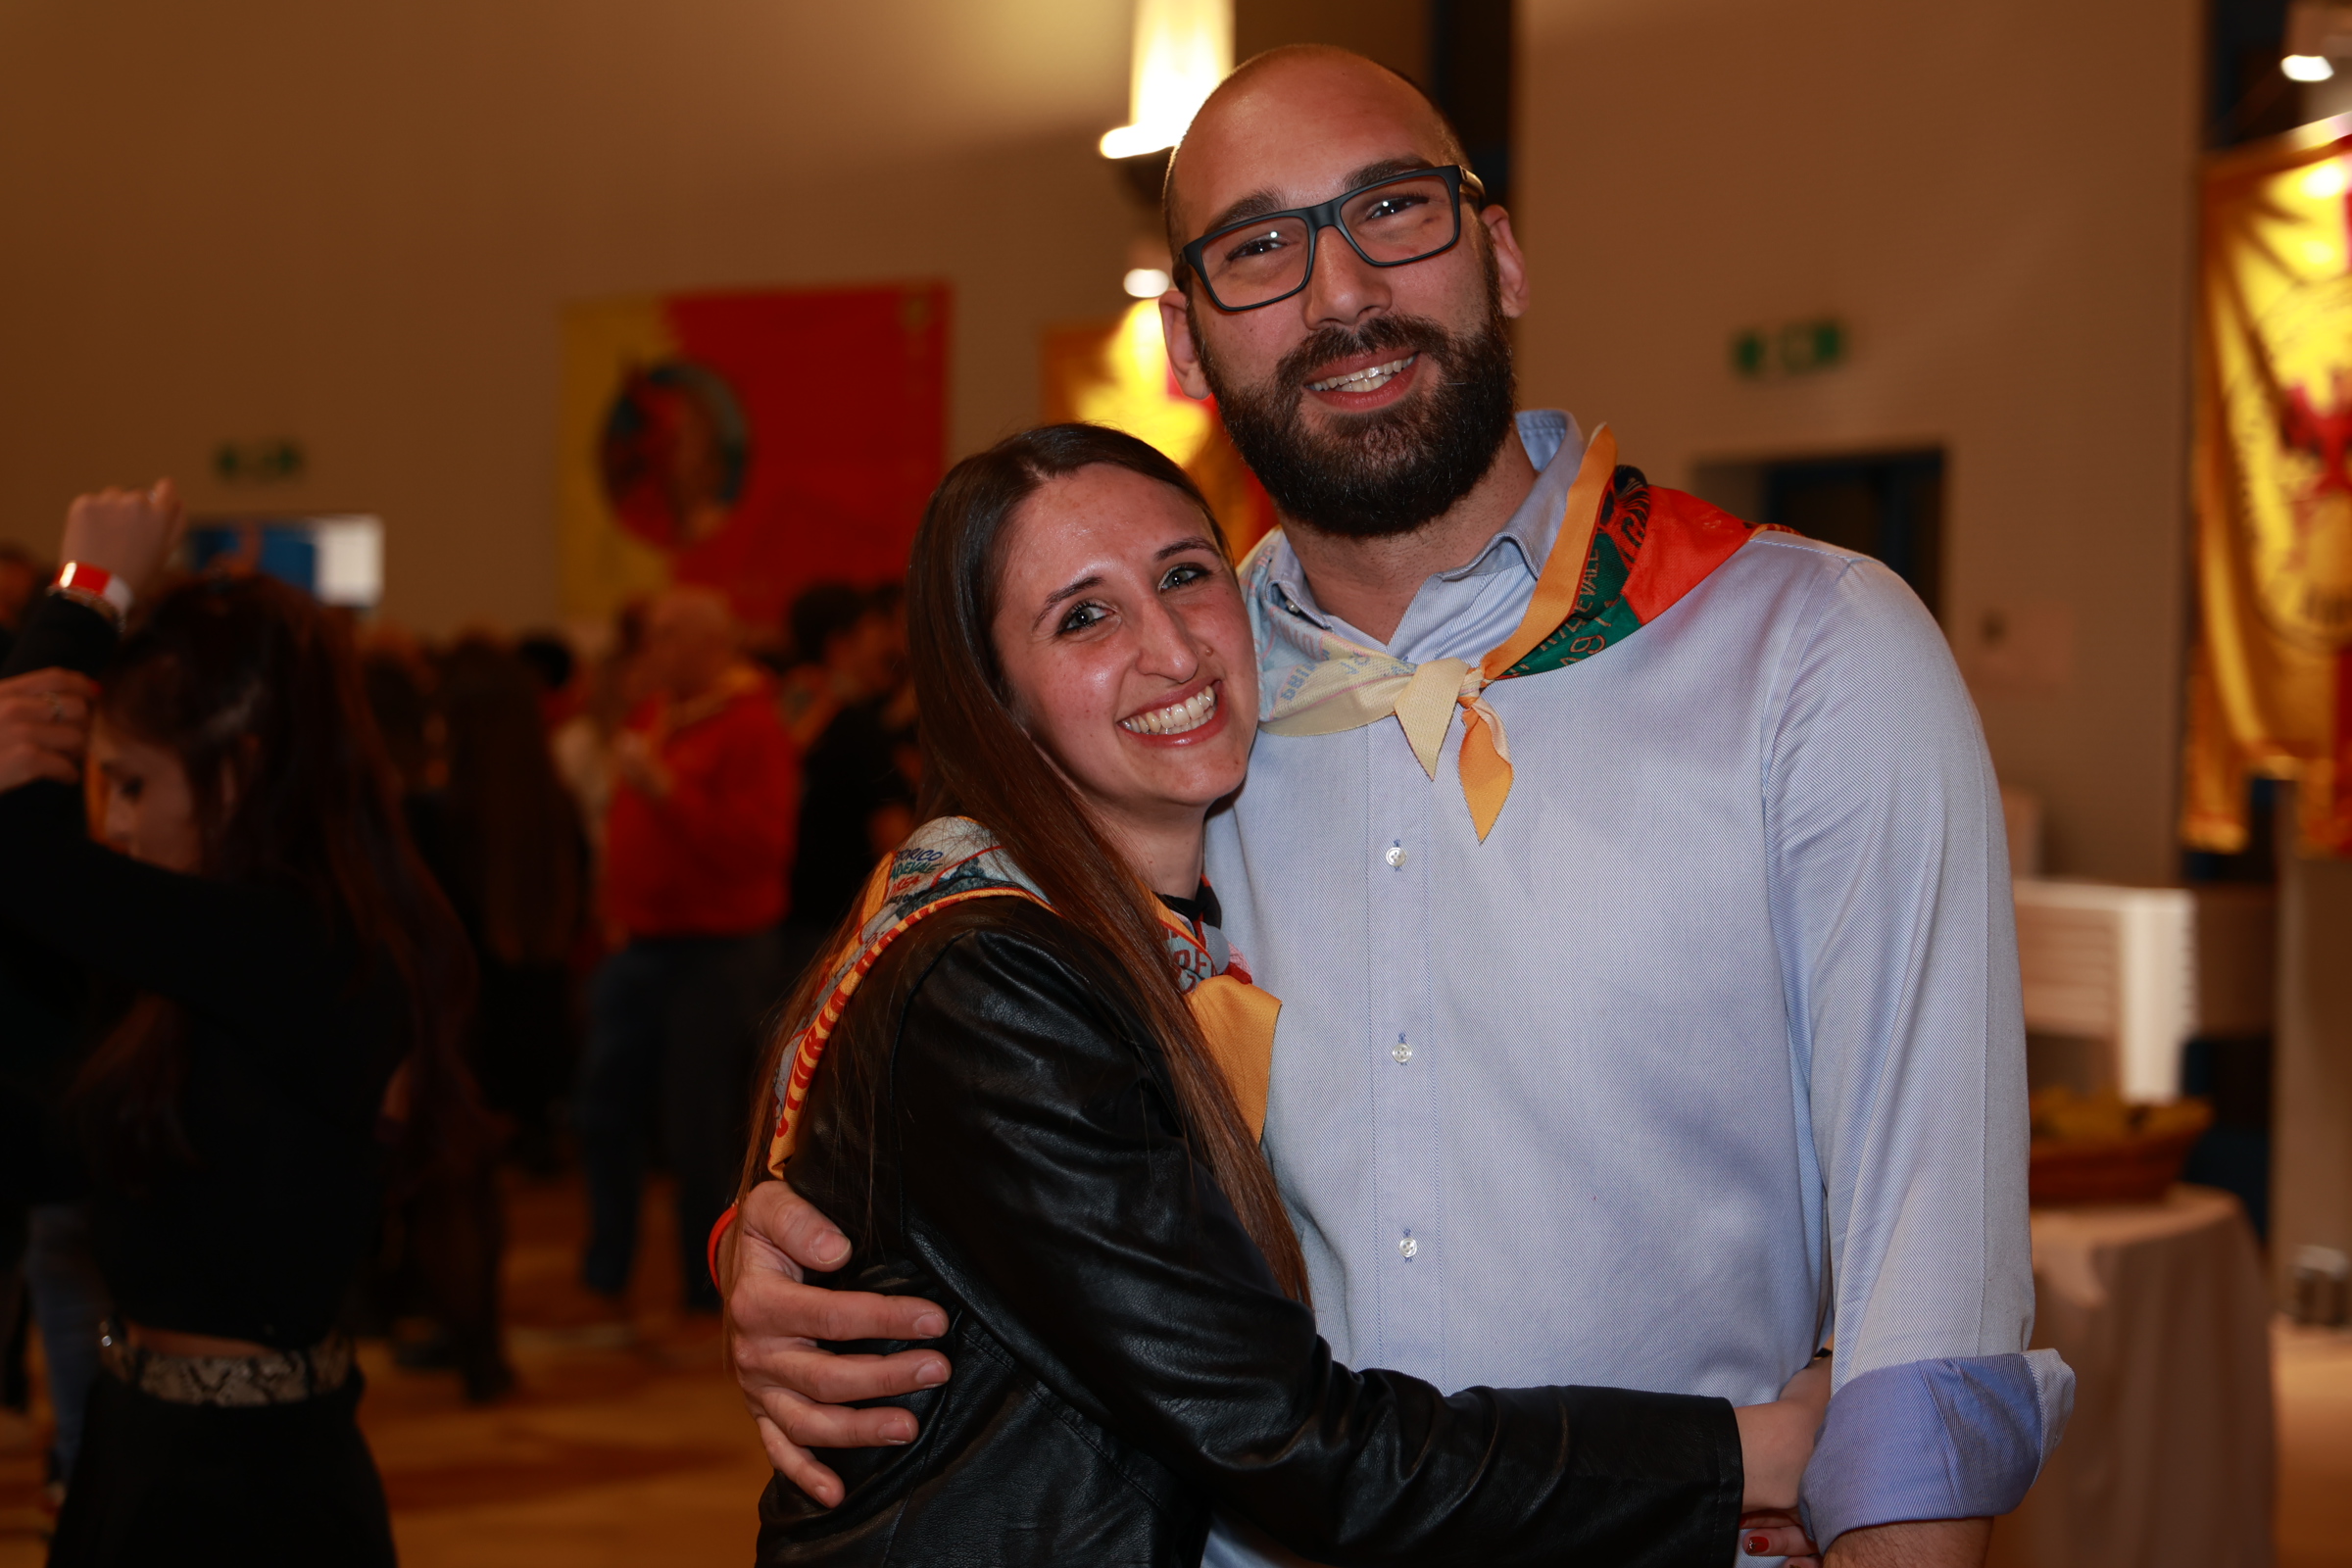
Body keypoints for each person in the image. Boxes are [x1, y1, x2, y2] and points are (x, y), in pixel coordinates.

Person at [722, 45, 2071, 1568]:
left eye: (1393, 209)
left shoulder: (1804, 653)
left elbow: (1930, 1253)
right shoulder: (1165, 720)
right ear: (1184, 343)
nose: (1343, 290)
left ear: (1501, 253)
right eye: (1259, 247)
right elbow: (925, 1043)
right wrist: (780, 1251)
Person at [721, 422, 1830, 1566]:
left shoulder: (1137, 927)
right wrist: (1754, 1453)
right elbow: (1293, 1444)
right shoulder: (994, 978)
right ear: (993, 694)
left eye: (1184, 576)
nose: (1170, 650)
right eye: (1084, 616)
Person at [0, 482, 474, 1564]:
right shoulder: (196, 964)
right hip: (137, 1445)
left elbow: (22, 851)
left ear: (241, 772)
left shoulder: (303, 948)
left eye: (131, 785)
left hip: (255, 1492)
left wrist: (85, 592)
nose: (114, 825)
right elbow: (63, 1152)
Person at [579, 585, 793, 1315]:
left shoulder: (753, 726)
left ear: (709, 644)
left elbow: (761, 847)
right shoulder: (659, 714)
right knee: (603, 1111)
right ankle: (606, 1274)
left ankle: (705, 1292)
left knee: (697, 1125)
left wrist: (669, 792)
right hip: (641, 943)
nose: (651, 651)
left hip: (716, 950)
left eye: (665, 635)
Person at [781, 584, 917, 956]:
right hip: (844, 925)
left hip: (782, 918)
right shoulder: (855, 725)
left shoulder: (779, 707)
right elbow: (892, 836)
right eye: (875, 631)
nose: (889, 644)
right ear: (841, 646)